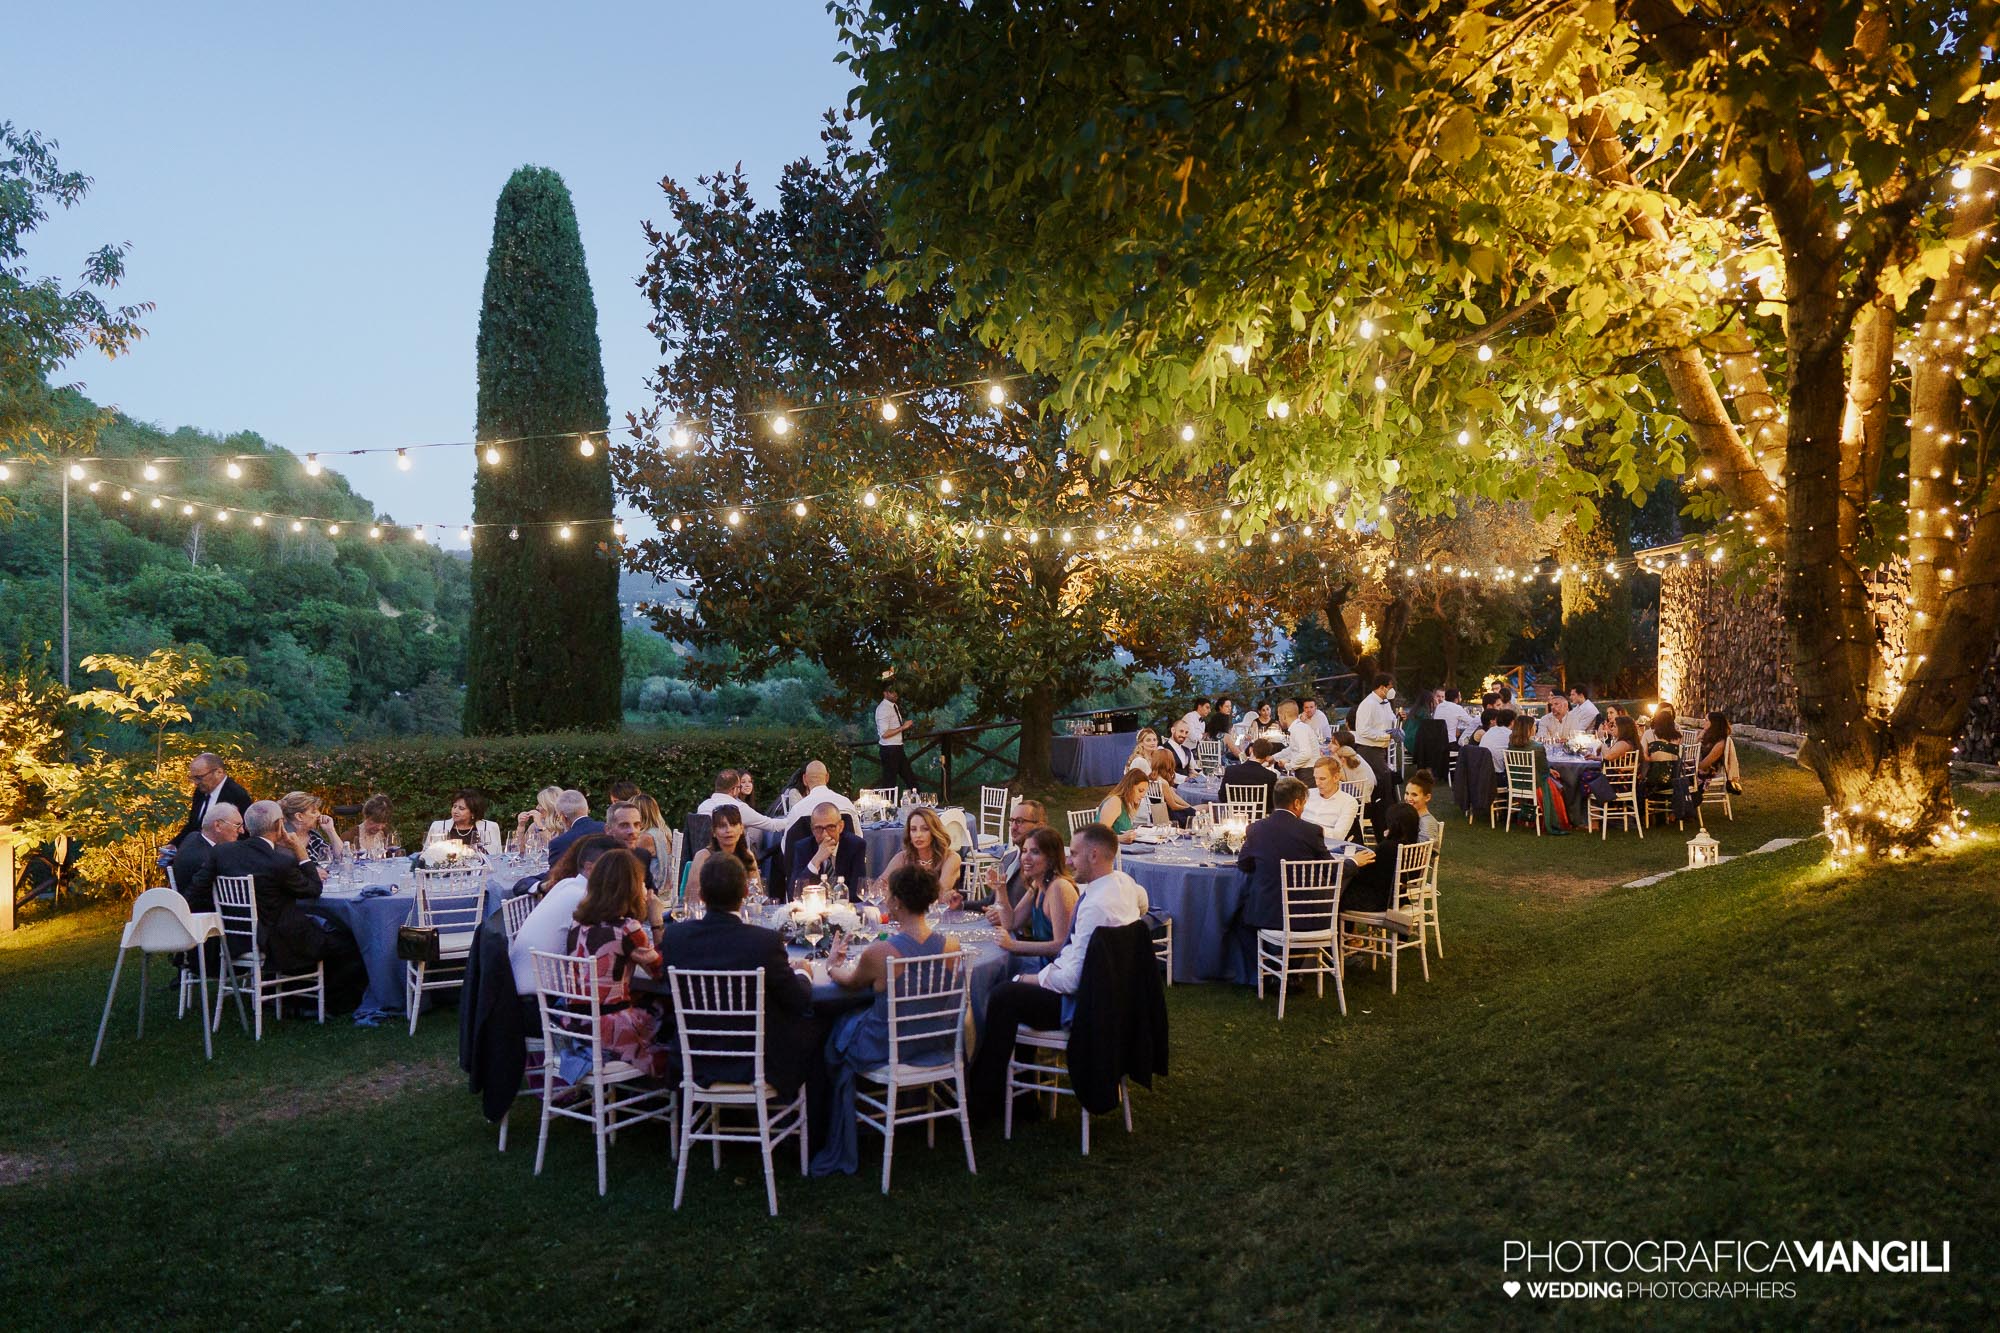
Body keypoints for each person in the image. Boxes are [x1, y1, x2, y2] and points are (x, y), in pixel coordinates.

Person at [969, 824, 1150, 1118]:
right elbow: (1143, 903)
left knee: (1005, 994)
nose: (1071, 861)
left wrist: (1032, 978)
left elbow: (1070, 977)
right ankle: (1019, 1094)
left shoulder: (1089, 903)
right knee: (1014, 994)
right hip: (1110, 996)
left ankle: (984, 1098)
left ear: (1093, 855)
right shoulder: (1122, 884)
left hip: (1085, 1005)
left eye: (1075, 854)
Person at [811, 863, 961, 1176]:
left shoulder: (881, 953)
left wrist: (831, 964)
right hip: (933, 1040)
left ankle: (830, 1122)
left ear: (896, 903)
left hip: (888, 1046)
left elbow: (849, 983)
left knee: (835, 1034)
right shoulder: (952, 946)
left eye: (889, 896)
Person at [657, 853, 819, 1120]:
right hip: (757, 1062)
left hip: (695, 1059)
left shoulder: (675, 937)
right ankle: (814, 1126)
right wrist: (804, 974)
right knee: (818, 1028)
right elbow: (798, 1000)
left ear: (703, 894)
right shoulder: (763, 942)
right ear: (745, 892)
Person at [189, 799, 366, 1014]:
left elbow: (195, 891)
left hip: (234, 938)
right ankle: (326, 1004)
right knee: (349, 941)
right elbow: (313, 889)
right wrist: (300, 852)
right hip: (277, 942)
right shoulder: (279, 861)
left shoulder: (222, 853)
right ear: (279, 825)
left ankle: (290, 995)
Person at [560, 849, 672, 1080]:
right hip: (610, 1029)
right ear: (631, 888)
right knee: (670, 1013)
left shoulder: (577, 923)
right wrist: (657, 921)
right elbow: (660, 972)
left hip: (575, 1025)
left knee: (645, 1000)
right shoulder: (627, 929)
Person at [509, 835, 622, 995]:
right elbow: (612, 945)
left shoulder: (566, 884)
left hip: (520, 982)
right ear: (590, 868)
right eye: (615, 867)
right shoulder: (584, 898)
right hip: (546, 995)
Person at [1236, 777, 1351, 933]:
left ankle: (1262, 955)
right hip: (1306, 916)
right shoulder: (1311, 831)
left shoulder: (1256, 828)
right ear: (1297, 803)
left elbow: (1243, 864)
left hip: (1265, 914)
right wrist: (1354, 862)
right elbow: (1331, 871)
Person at [985, 826, 1076, 977]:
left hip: (1057, 973)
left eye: (1035, 852)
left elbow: (1061, 945)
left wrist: (1013, 945)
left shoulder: (1059, 888)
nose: (1025, 858)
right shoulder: (1038, 884)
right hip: (1044, 965)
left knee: (998, 980)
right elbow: (1011, 923)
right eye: (1025, 851)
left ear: (1051, 858)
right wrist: (1000, 889)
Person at [1343, 771, 1431, 915]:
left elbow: (1367, 874)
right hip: (1398, 897)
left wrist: (1355, 862)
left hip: (1378, 900)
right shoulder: (1412, 846)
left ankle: (1346, 936)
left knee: (1339, 894)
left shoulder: (1388, 848)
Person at [875, 806, 963, 902]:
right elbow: (878, 886)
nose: (918, 835)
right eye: (913, 829)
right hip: (910, 914)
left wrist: (899, 894)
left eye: (925, 829)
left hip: (942, 915)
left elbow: (939, 894)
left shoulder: (951, 858)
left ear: (934, 832)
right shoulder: (903, 857)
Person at [687, 804, 763, 909]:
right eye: (722, 826)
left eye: (733, 824)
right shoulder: (703, 856)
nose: (728, 830)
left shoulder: (747, 855)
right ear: (713, 832)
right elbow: (693, 897)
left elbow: (757, 893)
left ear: (741, 829)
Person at [172, 801, 243, 912]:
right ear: (218, 826)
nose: (242, 831)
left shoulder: (192, 837)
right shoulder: (209, 859)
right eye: (237, 825)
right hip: (206, 919)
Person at [790, 802, 867, 896]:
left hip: (844, 907)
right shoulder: (803, 847)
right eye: (818, 828)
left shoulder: (856, 846)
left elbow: (859, 892)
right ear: (812, 829)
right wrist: (816, 860)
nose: (825, 834)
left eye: (831, 827)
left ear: (841, 827)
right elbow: (794, 894)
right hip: (815, 908)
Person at [175, 753, 252, 845]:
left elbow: (244, 832)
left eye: (199, 778)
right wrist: (174, 845)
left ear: (219, 772)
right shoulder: (200, 792)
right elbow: (193, 825)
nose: (195, 783)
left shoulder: (237, 795)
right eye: (193, 778)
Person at [984, 798, 1047, 906]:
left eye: (1019, 821)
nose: (1013, 827)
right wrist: (960, 904)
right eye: (1011, 821)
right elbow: (991, 901)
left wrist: (1003, 915)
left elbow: (1035, 912)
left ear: (1039, 826)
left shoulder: (1042, 867)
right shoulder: (1008, 858)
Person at [1349, 673, 1400, 798]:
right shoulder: (1368, 704)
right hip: (1369, 749)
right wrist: (1386, 736)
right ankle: (1381, 809)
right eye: (1390, 687)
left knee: (1386, 779)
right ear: (1382, 687)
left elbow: (1391, 719)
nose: (1391, 690)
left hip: (1382, 749)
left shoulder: (1386, 702)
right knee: (1383, 779)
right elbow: (1362, 730)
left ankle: (1387, 807)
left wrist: (1398, 719)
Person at [697, 768, 790, 833]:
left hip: (705, 856)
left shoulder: (703, 806)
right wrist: (793, 818)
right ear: (734, 789)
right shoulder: (737, 808)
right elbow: (772, 825)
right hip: (732, 858)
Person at [874, 679, 923, 792]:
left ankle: (921, 802)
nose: (895, 694)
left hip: (897, 747)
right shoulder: (883, 709)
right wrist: (903, 727)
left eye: (896, 691)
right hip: (889, 749)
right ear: (885, 693)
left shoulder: (893, 706)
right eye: (892, 692)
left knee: (909, 778)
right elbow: (884, 734)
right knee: (889, 783)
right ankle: (887, 807)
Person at [604, 800, 661, 890]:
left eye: (636, 825)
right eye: (624, 825)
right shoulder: (598, 859)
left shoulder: (642, 856)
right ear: (608, 830)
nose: (632, 831)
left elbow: (651, 893)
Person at [1302, 757, 1361, 843]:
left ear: (1336, 777)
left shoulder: (1348, 802)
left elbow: (1338, 836)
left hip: (1326, 846)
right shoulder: (1307, 794)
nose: (1317, 783)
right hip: (1301, 842)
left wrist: (1306, 828)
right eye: (1315, 778)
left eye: (1322, 779)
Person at [427, 789, 502, 855]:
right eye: (454, 806)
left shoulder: (490, 827)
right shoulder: (437, 826)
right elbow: (426, 855)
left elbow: (497, 856)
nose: (455, 811)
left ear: (473, 812)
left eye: (461, 808)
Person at [280, 790, 346, 864]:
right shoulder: (283, 840)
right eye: (313, 812)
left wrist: (331, 830)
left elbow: (343, 859)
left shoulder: (314, 836)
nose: (319, 814)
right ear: (299, 816)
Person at [1220, 737, 1288, 806]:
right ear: (1267, 756)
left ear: (1250, 750)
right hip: (1260, 815)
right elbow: (1271, 802)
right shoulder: (1270, 776)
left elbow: (1222, 797)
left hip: (1234, 814)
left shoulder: (1231, 770)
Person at [543, 790, 602, 863]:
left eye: (558, 817)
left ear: (563, 817)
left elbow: (555, 873)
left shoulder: (560, 843)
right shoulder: (608, 829)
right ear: (586, 809)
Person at [1096, 767, 1152, 843]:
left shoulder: (1127, 803)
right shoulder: (1114, 802)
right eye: (1140, 791)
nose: (1142, 795)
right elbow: (1100, 835)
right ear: (1129, 787)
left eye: (1144, 792)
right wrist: (1120, 838)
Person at [1146, 749, 1195, 826]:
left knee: (1194, 810)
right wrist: (1189, 809)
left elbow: (1174, 797)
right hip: (1169, 817)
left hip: (1156, 814)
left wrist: (1189, 807)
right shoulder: (1163, 782)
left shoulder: (1151, 778)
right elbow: (1173, 806)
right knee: (1201, 811)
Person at [512, 786, 565, 856]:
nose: (537, 807)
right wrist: (521, 826)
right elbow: (521, 852)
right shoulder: (534, 826)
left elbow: (557, 848)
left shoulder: (567, 825)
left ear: (551, 806)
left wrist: (540, 825)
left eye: (540, 804)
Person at [1695, 710, 1740, 793]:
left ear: (1714, 723)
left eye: (1706, 720)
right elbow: (1693, 752)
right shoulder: (1709, 738)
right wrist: (1699, 737)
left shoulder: (1720, 743)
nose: (1703, 723)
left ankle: (1686, 801)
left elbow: (1703, 765)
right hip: (1699, 767)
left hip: (1709, 772)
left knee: (1679, 774)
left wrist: (1689, 764)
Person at [632, 793, 675, 878]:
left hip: (653, 886)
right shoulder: (663, 831)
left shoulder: (646, 837)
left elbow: (629, 862)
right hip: (665, 885)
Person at [1278, 699, 1321, 770]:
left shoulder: (1298, 729)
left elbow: (1305, 754)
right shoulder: (1297, 727)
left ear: (1284, 716)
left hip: (1308, 772)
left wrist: (1288, 766)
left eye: (1279, 716)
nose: (1279, 719)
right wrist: (1274, 758)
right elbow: (1292, 749)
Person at [1334, 745, 1377, 811]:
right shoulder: (1358, 758)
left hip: (1360, 799)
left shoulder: (1347, 767)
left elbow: (1341, 778)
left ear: (1342, 759)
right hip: (1369, 795)